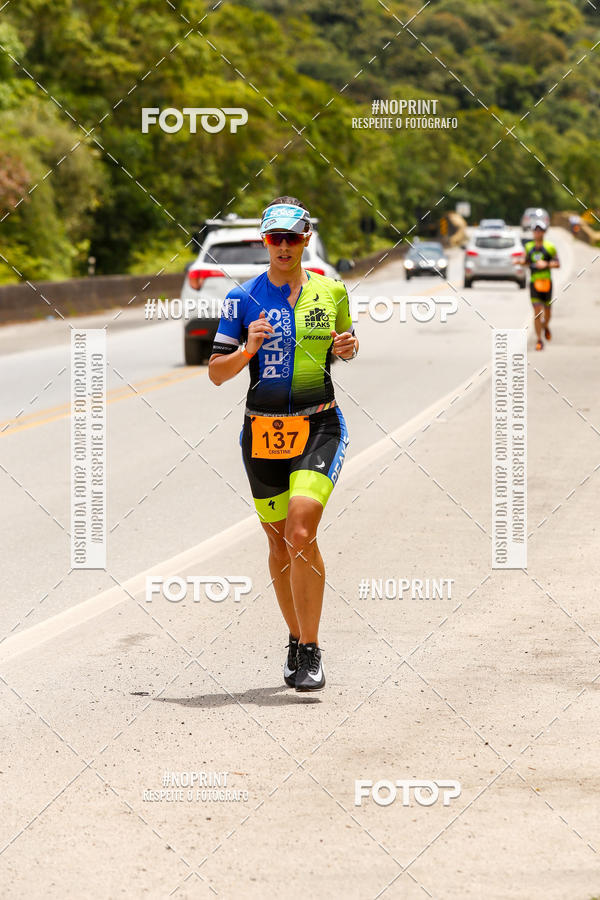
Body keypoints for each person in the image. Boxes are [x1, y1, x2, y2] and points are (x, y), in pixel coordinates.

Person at [208, 197, 358, 692]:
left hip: (319, 425)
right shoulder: (242, 299)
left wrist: (348, 347)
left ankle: (312, 650)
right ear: (265, 242)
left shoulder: (331, 290)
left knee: (299, 531)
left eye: (293, 237)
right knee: (276, 540)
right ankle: (294, 638)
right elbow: (216, 374)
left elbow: (346, 343)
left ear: (306, 239)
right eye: (276, 238)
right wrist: (248, 348)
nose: (284, 246)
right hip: (263, 431)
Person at [524, 221, 560, 351]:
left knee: (548, 313)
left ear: (544, 232)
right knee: (537, 312)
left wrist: (546, 264)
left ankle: (545, 326)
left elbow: (557, 263)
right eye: (535, 231)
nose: (537, 233)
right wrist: (519, 262)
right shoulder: (528, 247)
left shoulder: (550, 247)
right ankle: (539, 340)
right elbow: (526, 261)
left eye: (540, 230)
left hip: (546, 283)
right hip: (534, 283)